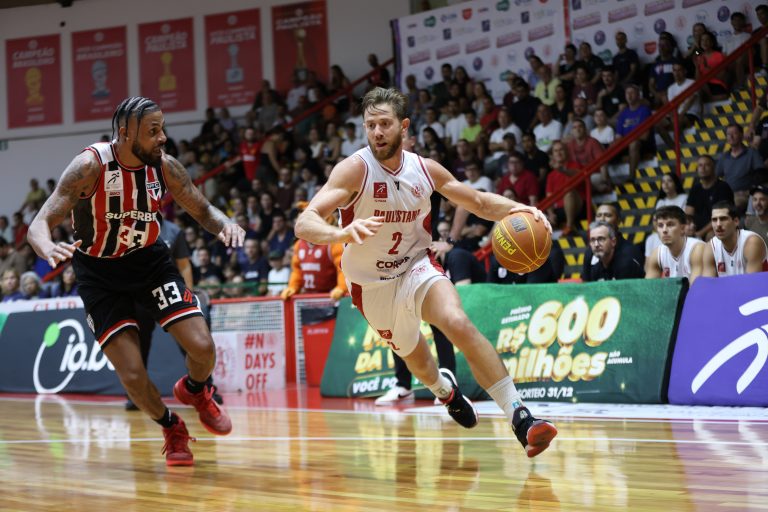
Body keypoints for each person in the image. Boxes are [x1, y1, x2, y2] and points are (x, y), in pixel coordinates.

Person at [294, 87, 557, 457]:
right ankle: (445, 392)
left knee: (457, 322)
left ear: (403, 126)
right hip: (371, 285)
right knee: (417, 358)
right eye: (370, 125)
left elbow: (479, 202)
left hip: (417, 265)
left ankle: (521, 418)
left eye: (385, 124)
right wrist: (340, 234)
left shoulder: (425, 169)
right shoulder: (354, 170)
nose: (377, 132)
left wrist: (523, 209)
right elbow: (304, 223)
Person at [26, 96, 245, 467]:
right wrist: (47, 247)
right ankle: (171, 426)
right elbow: (39, 223)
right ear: (126, 133)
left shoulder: (165, 167)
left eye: (162, 129)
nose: (163, 138)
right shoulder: (90, 166)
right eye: (153, 131)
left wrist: (226, 224)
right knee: (131, 373)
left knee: (203, 347)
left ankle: (195, 390)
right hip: (99, 274)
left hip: (149, 263)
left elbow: (203, 208)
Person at [375, 221, 485, 406]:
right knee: (397, 323)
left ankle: (449, 384)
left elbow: (464, 205)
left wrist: (450, 241)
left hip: (426, 257)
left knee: (439, 321)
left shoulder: (451, 251)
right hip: (403, 258)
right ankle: (403, 385)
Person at [125, 217, 224, 411]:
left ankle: (205, 388)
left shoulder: (173, 231)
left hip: (168, 293)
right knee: (139, 347)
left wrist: (188, 293)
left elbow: (184, 265)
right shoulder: (128, 226)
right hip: (139, 295)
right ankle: (137, 396)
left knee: (191, 343)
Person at [699, 201, 768, 277]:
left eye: (723, 219)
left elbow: (752, 282)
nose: (718, 224)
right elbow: (708, 282)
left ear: (736, 221)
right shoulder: (711, 247)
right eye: (714, 220)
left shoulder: (751, 242)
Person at [644, 206, 705, 282]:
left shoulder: (697, 249)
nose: (664, 230)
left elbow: (697, 287)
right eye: (660, 225)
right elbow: (648, 287)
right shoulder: (657, 254)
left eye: (670, 225)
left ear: (682, 229)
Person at [685, 155, 734, 240]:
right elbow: (688, 215)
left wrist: (700, 233)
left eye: (707, 165)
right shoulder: (695, 188)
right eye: (700, 165)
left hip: (718, 226)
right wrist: (689, 229)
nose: (703, 168)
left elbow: (722, 216)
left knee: (711, 236)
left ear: (714, 168)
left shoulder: (723, 187)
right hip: (696, 229)